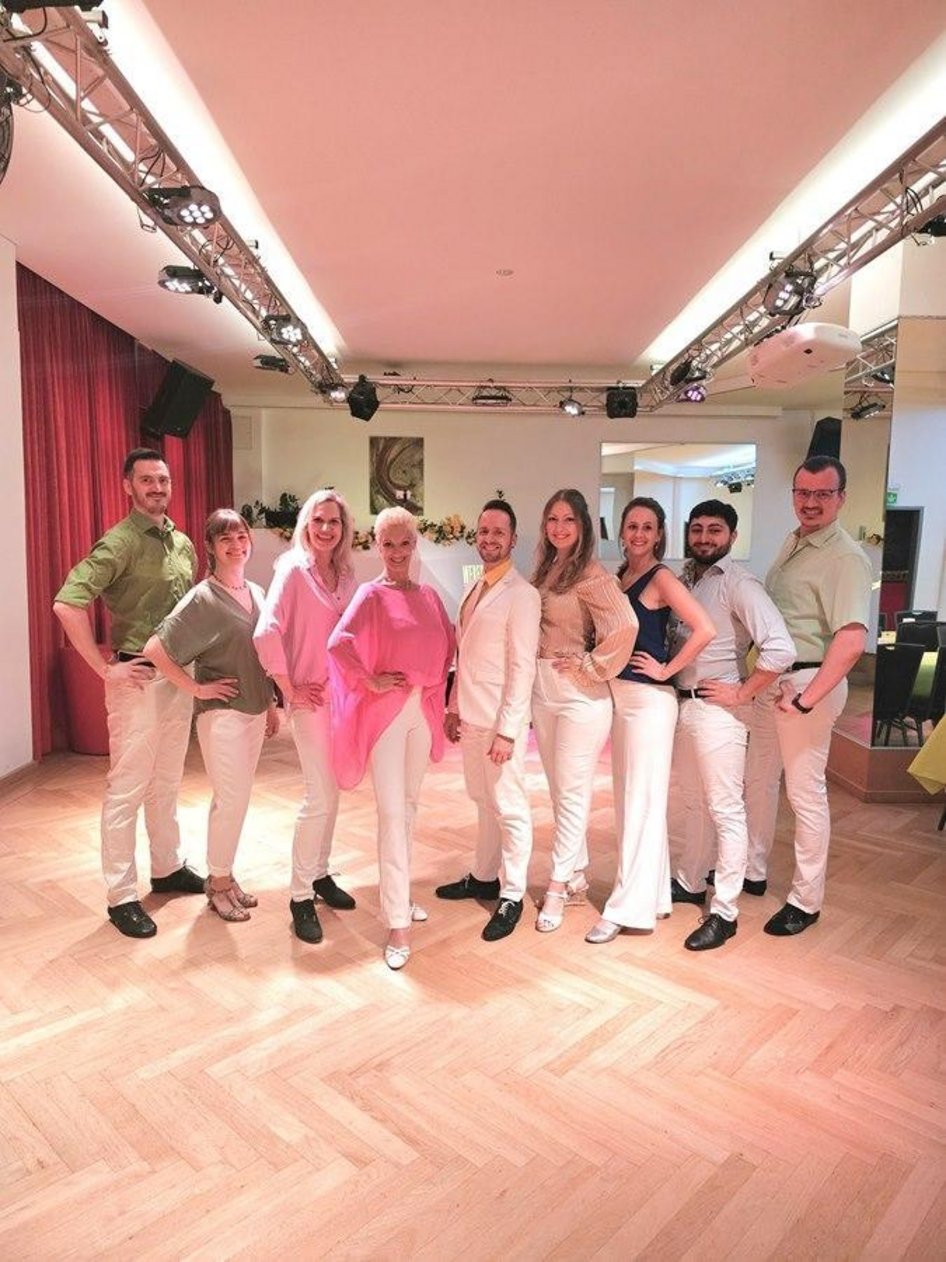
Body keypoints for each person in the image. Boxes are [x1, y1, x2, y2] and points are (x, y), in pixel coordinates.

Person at [53, 448, 203, 939]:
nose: (157, 487)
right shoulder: (119, 543)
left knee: (166, 781)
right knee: (127, 789)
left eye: (163, 479)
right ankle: (121, 896)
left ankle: (167, 867)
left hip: (178, 676)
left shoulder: (182, 543)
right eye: (146, 480)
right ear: (128, 486)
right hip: (138, 679)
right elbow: (68, 603)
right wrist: (104, 669)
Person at [745, 456, 871, 935]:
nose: (811, 502)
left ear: (842, 498)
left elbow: (851, 641)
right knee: (759, 780)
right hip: (774, 681)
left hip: (806, 685)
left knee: (805, 794)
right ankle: (753, 869)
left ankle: (806, 899)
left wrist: (805, 700)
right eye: (803, 492)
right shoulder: (794, 540)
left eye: (823, 494)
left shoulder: (845, 557)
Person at [328, 507, 455, 969]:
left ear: (414, 544)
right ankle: (397, 921)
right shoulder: (370, 595)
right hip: (387, 716)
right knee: (392, 813)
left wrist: (440, 695)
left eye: (404, 543)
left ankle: (398, 896)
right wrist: (370, 680)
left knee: (410, 806)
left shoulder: (429, 597)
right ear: (377, 546)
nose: (397, 553)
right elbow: (338, 644)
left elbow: (448, 645)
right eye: (388, 544)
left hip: (422, 711)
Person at [585, 497, 716, 943]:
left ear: (659, 534)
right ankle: (655, 895)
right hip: (623, 700)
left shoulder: (661, 577)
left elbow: (705, 628)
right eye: (632, 526)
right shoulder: (620, 576)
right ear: (621, 532)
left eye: (647, 527)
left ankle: (626, 908)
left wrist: (666, 669)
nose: (639, 534)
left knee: (640, 805)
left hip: (649, 702)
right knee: (633, 804)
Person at [667, 500, 795, 950]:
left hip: (719, 712)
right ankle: (689, 881)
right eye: (697, 529)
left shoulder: (738, 583)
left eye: (715, 530)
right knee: (693, 803)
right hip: (684, 705)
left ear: (732, 537)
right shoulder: (686, 578)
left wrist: (743, 693)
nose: (704, 538)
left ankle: (725, 911)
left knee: (725, 809)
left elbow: (780, 648)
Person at [143, 510, 278, 921]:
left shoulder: (256, 592)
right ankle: (217, 884)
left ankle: (225, 874)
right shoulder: (203, 598)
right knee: (229, 799)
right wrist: (197, 689)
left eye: (241, 537)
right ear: (211, 547)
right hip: (222, 715)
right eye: (226, 539)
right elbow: (155, 649)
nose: (236, 545)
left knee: (238, 801)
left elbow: (264, 654)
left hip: (255, 708)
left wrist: (271, 704)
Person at [530, 488, 638, 933]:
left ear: (583, 527)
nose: (559, 528)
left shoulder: (592, 574)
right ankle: (575, 875)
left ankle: (557, 886)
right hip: (543, 690)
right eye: (553, 519)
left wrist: (591, 665)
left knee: (573, 793)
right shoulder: (546, 569)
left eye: (568, 520)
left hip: (579, 695)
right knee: (558, 791)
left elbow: (625, 625)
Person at [254, 489, 358, 944]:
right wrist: (288, 687)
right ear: (306, 524)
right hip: (310, 700)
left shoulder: (346, 574)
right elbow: (266, 631)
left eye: (334, 521)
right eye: (318, 520)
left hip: (342, 699)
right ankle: (299, 895)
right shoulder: (293, 569)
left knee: (332, 792)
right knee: (318, 795)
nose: (326, 529)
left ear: (344, 528)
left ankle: (319, 873)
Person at [437, 499, 541, 941]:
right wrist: (453, 707)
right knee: (483, 800)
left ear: (513, 540)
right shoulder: (473, 587)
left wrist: (509, 731)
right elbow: (464, 657)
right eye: (484, 531)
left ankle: (513, 893)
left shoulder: (523, 595)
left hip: (500, 722)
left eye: (499, 532)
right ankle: (483, 876)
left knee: (510, 807)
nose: (490, 539)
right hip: (472, 716)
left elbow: (523, 666)